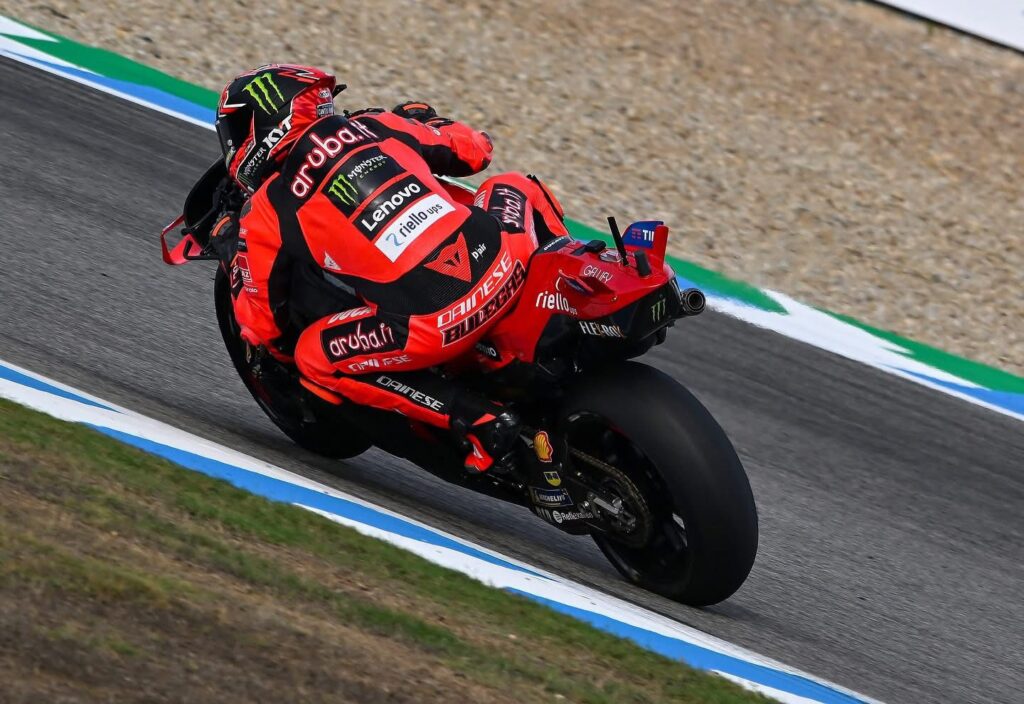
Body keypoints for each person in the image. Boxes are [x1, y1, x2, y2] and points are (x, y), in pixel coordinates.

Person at [210, 64, 569, 472]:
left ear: (262, 127)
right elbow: (476, 151)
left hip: (438, 323)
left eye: (237, 131)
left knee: (313, 357)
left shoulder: (269, 206)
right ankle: (573, 274)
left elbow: (263, 327)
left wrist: (229, 247)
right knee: (514, 184)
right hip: (508, 261)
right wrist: (426, 123)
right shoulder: (376, 125)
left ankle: (479, 419)